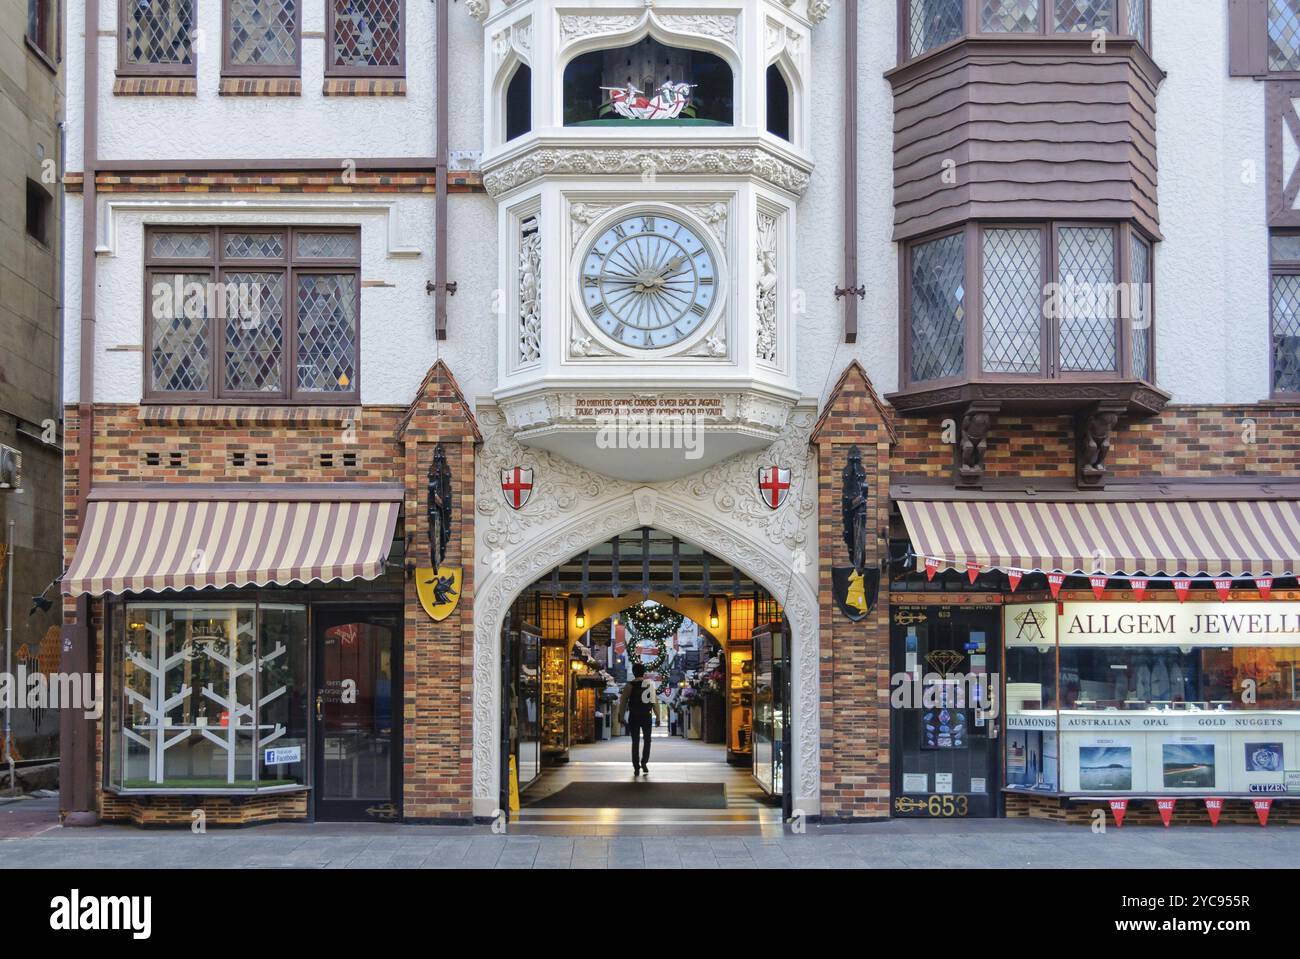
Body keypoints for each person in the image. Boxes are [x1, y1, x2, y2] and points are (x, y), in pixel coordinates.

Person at [617, 663, 658, 776]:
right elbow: (654, 701)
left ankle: (636, 767)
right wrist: (658, 716)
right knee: (647, 740)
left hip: (634, 716)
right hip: (646, 715)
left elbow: (623, 702)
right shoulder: (649, 685)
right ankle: (644, 762)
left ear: (634, 673)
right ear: (643, 672)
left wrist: (621, 716)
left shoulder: (629, 685)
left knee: (635, 742)